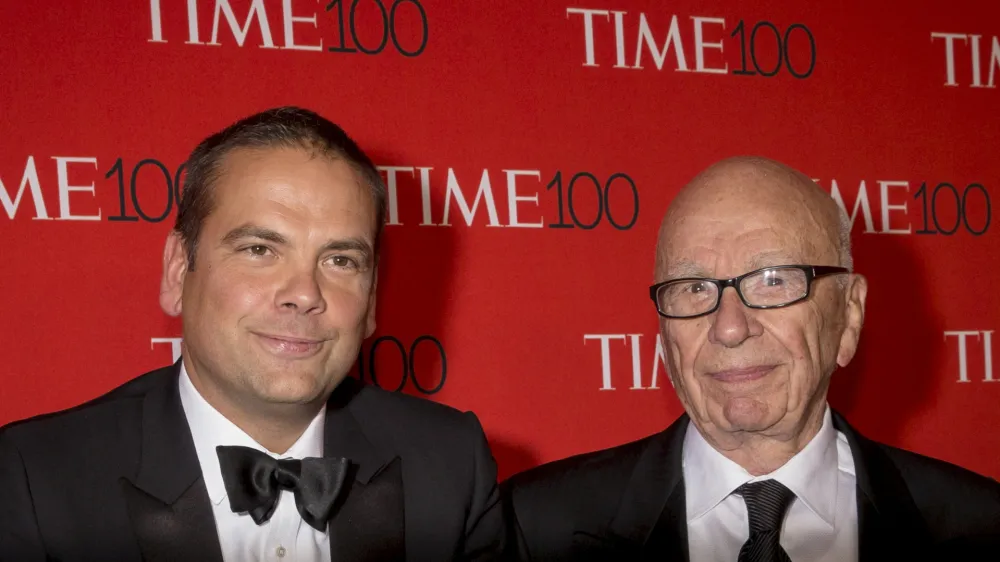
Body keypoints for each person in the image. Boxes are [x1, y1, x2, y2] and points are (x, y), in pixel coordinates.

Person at [0, 107, 504, 562]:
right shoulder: (33, 481)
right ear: (179, 271)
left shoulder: (450, 464)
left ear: (371, 301)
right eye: (260, 250)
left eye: (340, 260)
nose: (305, 293)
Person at [501, 156, 1000, 561]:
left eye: (774, 280)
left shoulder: (979, 523)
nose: (730, 326)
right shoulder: (530, 528)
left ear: (849, 316)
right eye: (694, 288)